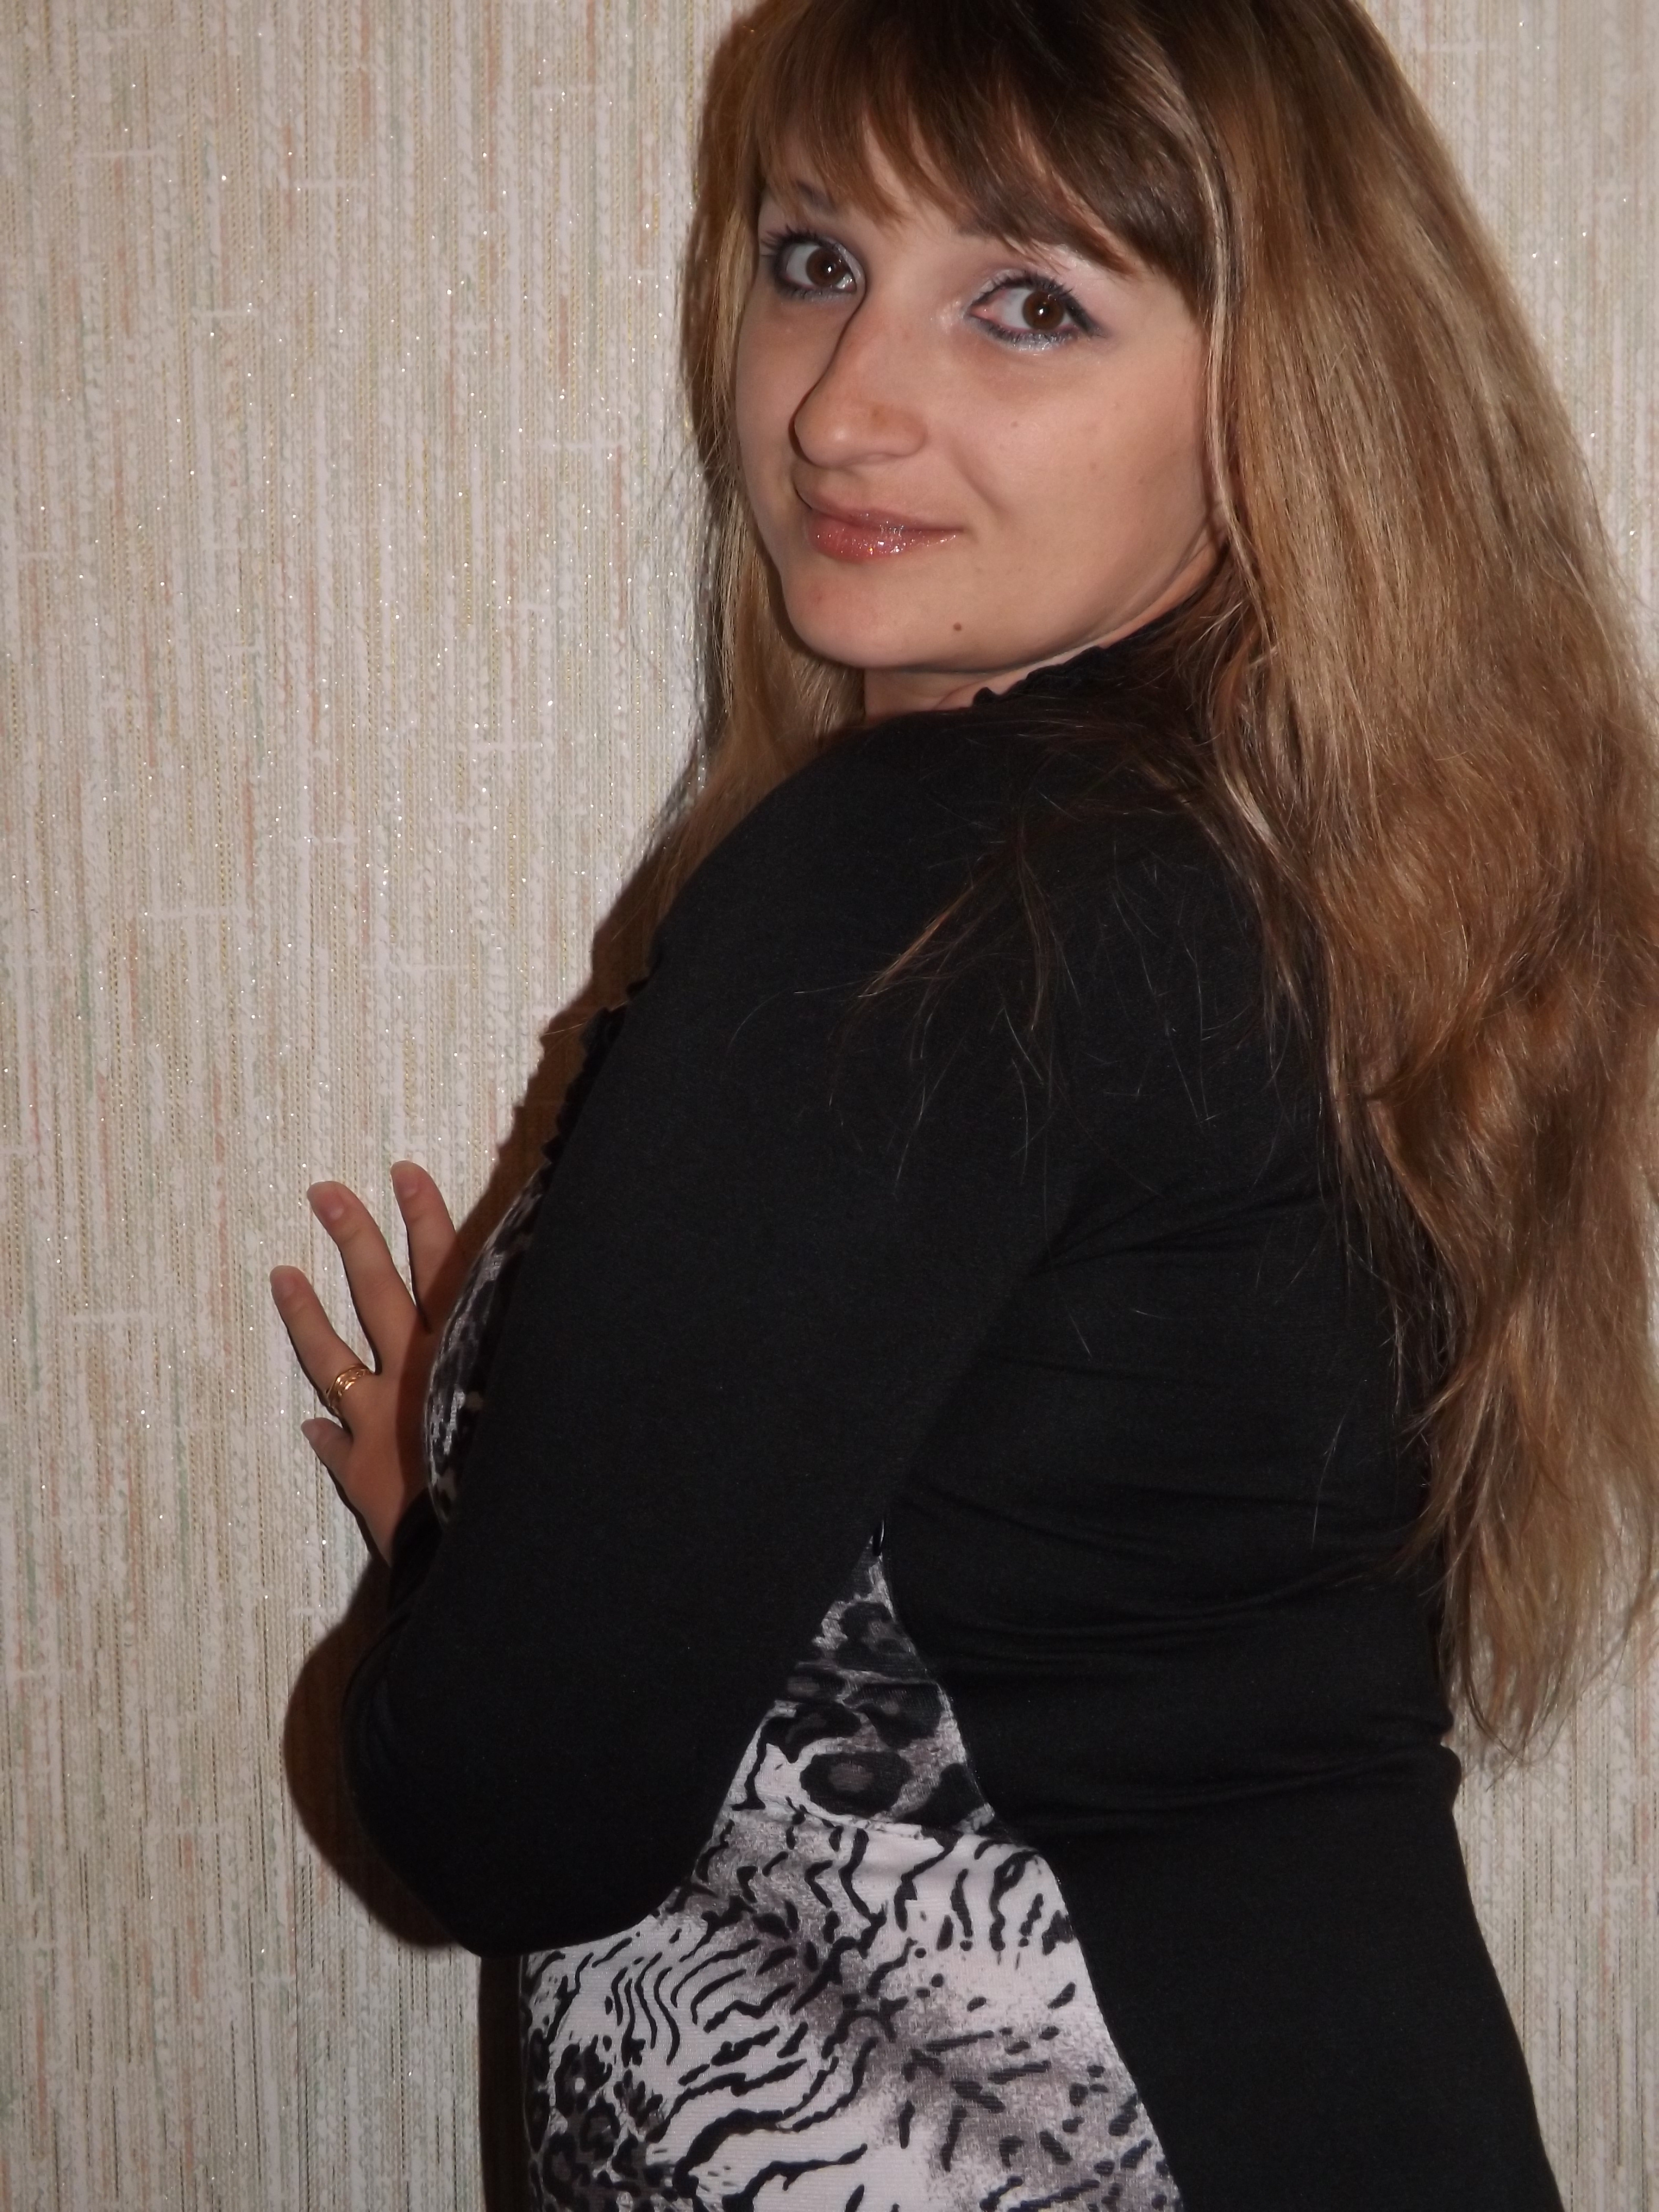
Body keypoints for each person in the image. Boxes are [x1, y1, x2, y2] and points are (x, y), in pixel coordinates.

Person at [269, 1, 1659, 2205]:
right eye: (815, 260)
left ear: (1280, 384)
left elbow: (507, 1820)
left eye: (1028, 303)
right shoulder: (1281, 859)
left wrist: (451, 1570)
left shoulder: (937, 887)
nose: (842, 403)